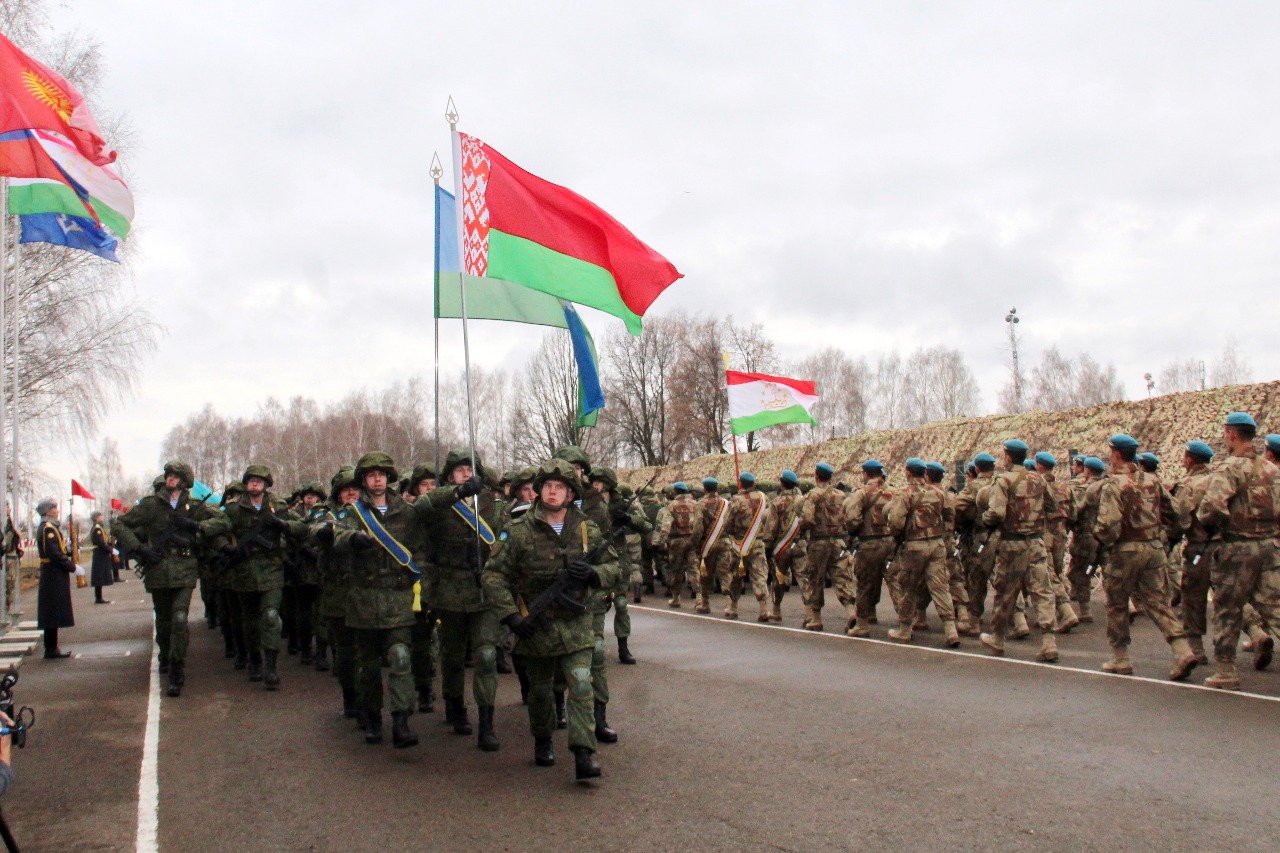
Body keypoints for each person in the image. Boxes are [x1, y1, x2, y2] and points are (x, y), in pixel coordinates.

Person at [483, 458, 620, 781]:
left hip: (576, 624)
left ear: (571, 494)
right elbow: (493, 577)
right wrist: (512, 617)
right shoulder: (517, 531)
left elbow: (615, 568)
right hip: (536, 625)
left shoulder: (587, 529)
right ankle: (543, 740)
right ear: (539, 491)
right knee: (541, 691)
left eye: (560, 487)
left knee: (582, 683)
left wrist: (593, 574)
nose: (553, 491)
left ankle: (584, 752)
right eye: (548, 486)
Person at [326, 452, 433, 748]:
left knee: (400, 656)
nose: (377, 479)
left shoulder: (406, 512)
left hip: (399, 597)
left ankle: (401, 721)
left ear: (389, 479)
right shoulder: (352, 513)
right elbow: (334, 536)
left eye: (382, 474)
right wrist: (350, 539)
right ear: (364, 480)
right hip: (364, 599)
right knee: (369, 666)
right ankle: (372, 717)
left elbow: (420, 550)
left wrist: (421, 583)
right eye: (372, 474)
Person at [417, 449, 502, 750]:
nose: (466, 474)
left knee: (487, 656)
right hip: (449, 591)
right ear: (450, 475)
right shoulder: (441, 502)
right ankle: (455, 705)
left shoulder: (491, 502)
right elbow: (419, 509)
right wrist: (455, 493)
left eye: (471, 470)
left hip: (484, 590)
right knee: (452, 656)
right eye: (460, 470)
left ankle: (487, 723)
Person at [1094, 434, 1197, 680]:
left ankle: (1121, 659)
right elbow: (1176, 513)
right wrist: (1166, 538)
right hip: (1153, 549)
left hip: (1125, 551)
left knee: (1117, 604)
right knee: (1157, 602)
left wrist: (1104, 540)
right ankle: (1182, 650)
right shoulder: (1153, 481)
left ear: (1116, 454)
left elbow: (1108, 525)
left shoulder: (1113, 485)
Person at [200, 465, 310, 691]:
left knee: (270, 616)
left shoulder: (277, 506)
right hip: (244, 572)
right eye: (251, 480)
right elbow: (216, 528)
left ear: (266, 484)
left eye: (259, 481)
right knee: (249, 622)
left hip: (272, 569)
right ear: (245, 484)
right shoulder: (234, 509)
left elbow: (302, 528)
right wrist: (220, 544)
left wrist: (284, 525)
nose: (255, 484)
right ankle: (255, 660)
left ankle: (271, 667)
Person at [115, 462, 217, 697]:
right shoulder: (151, 505)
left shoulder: (194, 506)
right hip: (158, 569)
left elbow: (222, 521)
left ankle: (176, 669)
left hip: (184, 569)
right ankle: (166, 655)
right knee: (163, 621)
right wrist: (139, 549)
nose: (170, 478)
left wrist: (196, 526)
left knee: (180, 619)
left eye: (175, 476)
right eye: (168, 475)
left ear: (184, 481)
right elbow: (120, 525)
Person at [1195, 415, 1280, 689]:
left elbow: (1210, 509)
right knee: (1275, 607)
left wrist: (1222, 523)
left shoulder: (1229, 469)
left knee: (1228, 610)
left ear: (1231, 434)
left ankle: (1225, 672)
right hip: (1269, 547)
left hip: (1237, 550)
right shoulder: (1272, 470)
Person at [978, 440, 1059, 662]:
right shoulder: (1039, 480)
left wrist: (986, 520)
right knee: (1042, 591)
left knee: (1005, 592)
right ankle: (1049, 642)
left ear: (1008, 457)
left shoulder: (1003, 481)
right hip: (1035, 542)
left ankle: (997, 638)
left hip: (1012, 544)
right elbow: (1053, 507)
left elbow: (996, 513)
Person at [885, 458, 957, 645]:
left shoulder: (905, 494)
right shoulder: (938, 492)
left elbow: (896, 522)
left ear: (908, 473)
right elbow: (950, 514)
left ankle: (905, 629)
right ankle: (950, 630)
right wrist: (944, 533)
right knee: (940, 587)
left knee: (908, 588)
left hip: (914, 547)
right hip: (937, 544)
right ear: (924, 473)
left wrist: (896, 535)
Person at [844, 460, 896, 637]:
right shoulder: (892, 492)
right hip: (890, 542)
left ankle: (862, 624)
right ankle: (907, 623)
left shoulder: (861, 494)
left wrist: (855, 531)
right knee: (895, 582)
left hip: (869, 544)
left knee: (865, 584)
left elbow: (852, 518)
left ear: (866, 474)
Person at [796, 462, 846, 631]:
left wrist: (802, 527)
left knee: (815, 579)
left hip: (819, 542)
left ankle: (815, 618)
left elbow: (808, 518)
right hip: (838, 541)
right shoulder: (841, 495)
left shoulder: (813, 495)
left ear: (816, 477)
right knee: (842, 577)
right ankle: (851, 612)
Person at [653, 482, 703, 609]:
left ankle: (676, 598)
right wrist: (696, 539)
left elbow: (666, 525)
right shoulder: (695, 504)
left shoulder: (672, 506)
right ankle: (699, 598)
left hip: (676, 541)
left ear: (675, 492)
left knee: (676, 569)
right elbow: (699, 524)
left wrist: (662, 541)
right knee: (694, 568)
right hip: (691, 540)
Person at [35, 498, 74, 659]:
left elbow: (58, 550)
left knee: (54, 609)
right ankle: (50, 648)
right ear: (47, 511)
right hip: (53, 573)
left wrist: (70, 550)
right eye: (55, 508)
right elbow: (54, 553)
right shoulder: (47, 529)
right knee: (52, 610)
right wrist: (71, 566)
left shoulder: (50, 527)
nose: (57, 511)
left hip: (54, 572)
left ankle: (52, 646)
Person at [89, 511, 113, 604]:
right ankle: (98, 597)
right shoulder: (97, 528)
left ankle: (99, 597)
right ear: (96, 518)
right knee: (99, 575)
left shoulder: (98, 527)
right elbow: (100, 542)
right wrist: (109, 549)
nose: (102, 517)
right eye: (100, 516)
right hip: (100, 553)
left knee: (100, 575)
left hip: (100, 552)